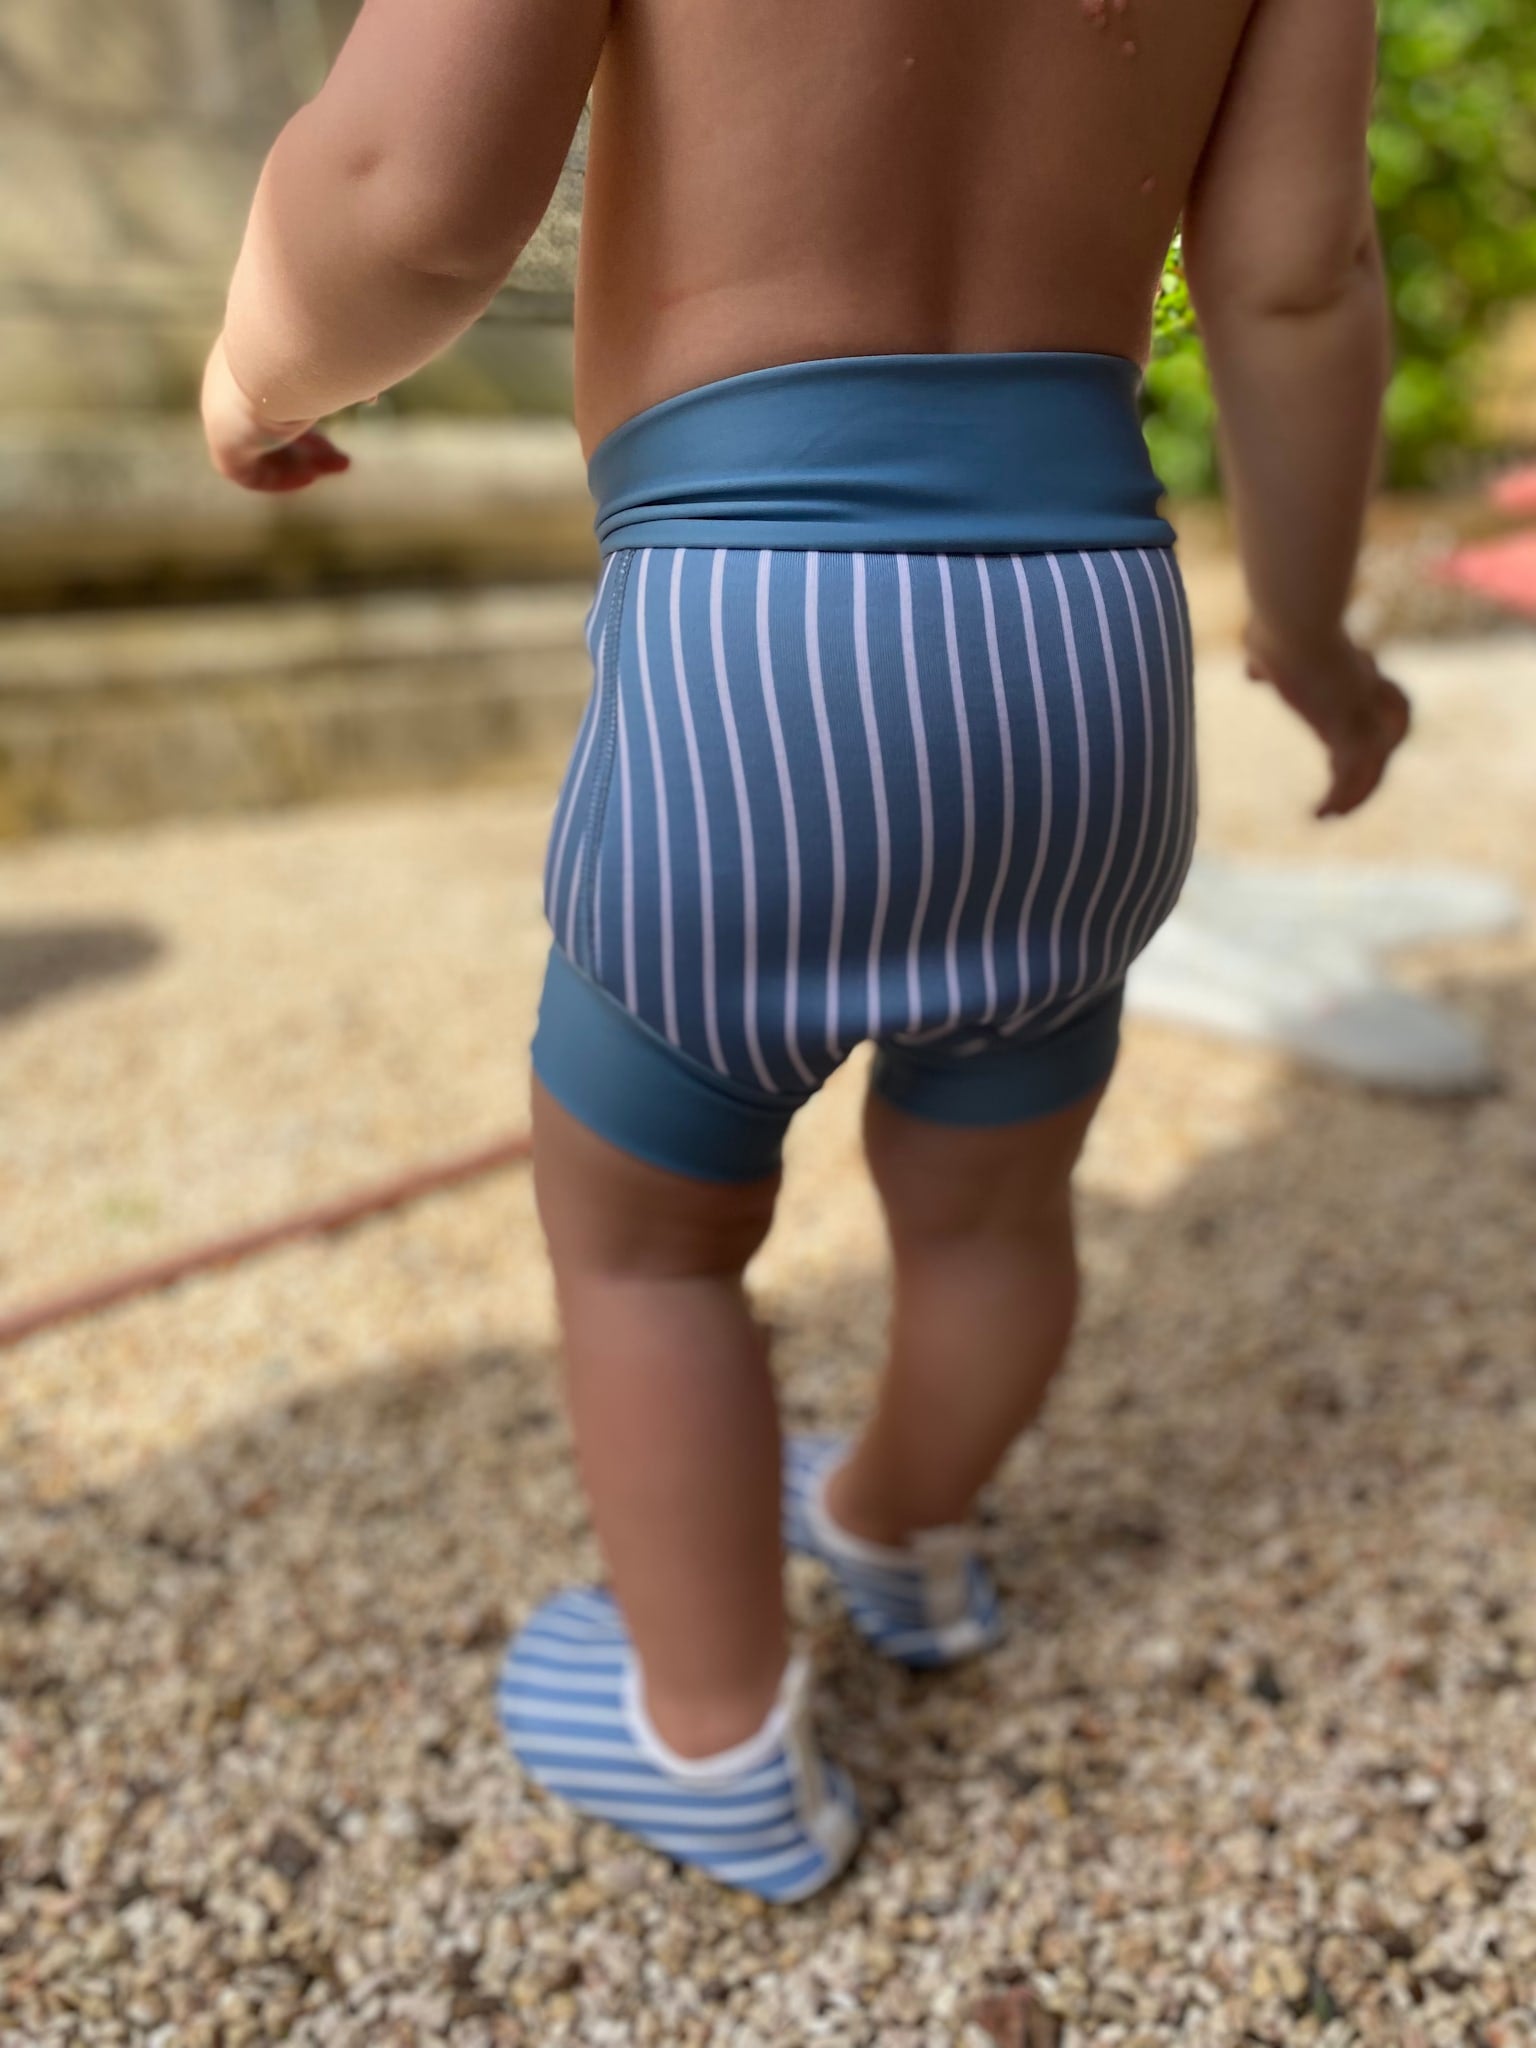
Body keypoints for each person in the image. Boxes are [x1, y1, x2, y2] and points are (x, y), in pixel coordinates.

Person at [203, 0, 1411, 1902]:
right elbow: (1294, 275)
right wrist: (1314, 636)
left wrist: (259, 372)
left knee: (646, 1240)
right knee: (996, 1208)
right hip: (1090, 641)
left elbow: (406, 191)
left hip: (753, 625)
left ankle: (709, 1733)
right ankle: (903, 1532)